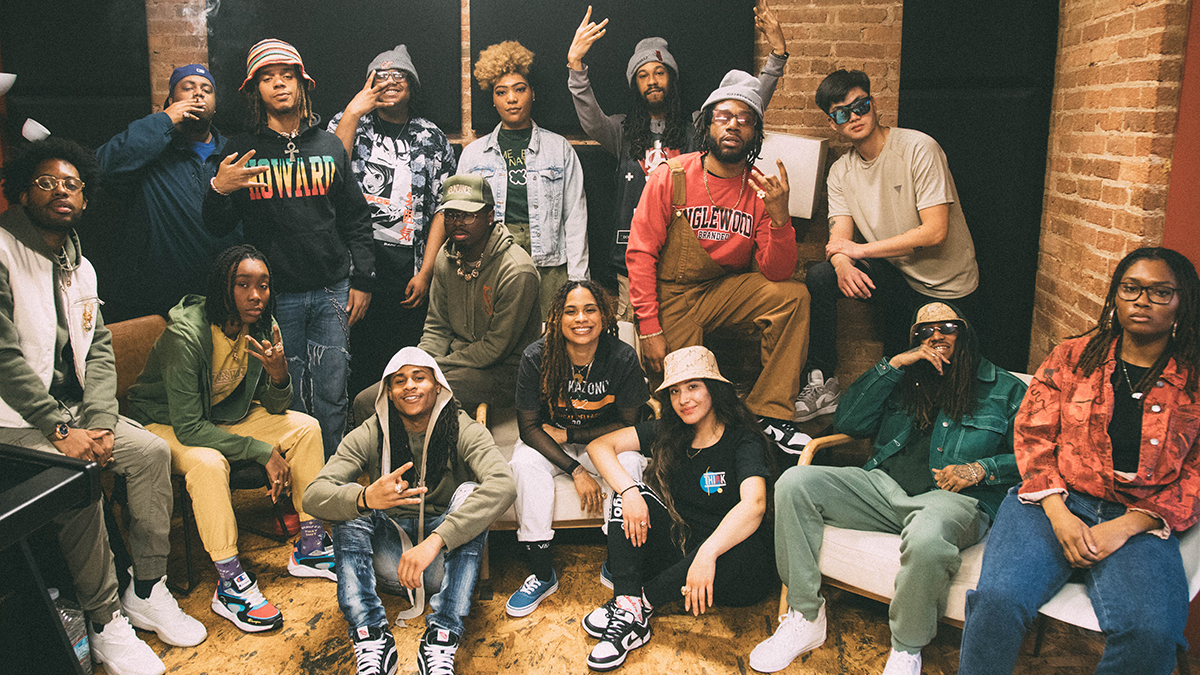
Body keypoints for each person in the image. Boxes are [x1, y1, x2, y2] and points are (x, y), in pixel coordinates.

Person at [0, 138, 205, 675]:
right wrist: (61, 428)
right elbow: (1, 357)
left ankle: (147, 589)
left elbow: (99, 352)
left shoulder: (81, 266)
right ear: (22, 191)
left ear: (85, 201)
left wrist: (100, 421)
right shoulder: (2, 249)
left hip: (73, 412)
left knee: (152, 453)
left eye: (72, 184)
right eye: (47, 182)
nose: (61, 191)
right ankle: (104, 618)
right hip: (14, 419)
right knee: (78, 476)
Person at [749, 301, 1026, 675]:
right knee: (794, 483)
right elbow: (848, 419)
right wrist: (894, 365)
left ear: (965, 333)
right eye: (924, 332)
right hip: (882, 488)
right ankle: (806, 617)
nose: (936, 337)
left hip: (954, 500)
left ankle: (907, 648)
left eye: (947, 328)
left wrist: (981, 468)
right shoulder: (905, 378)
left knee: (927, 535)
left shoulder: (1005, 389)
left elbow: (1035, 457)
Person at [959, 247, 1200, 675]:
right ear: (1115, 296)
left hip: (1139, 516)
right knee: (997, 601)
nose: (1142, 300)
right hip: (1053, 499)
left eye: (1161, 292)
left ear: (1183, 302)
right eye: (1132, 288)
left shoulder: (1194, 376)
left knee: (1153, 634)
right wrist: (1059, 512)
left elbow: (1195, 475)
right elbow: (1033, 436)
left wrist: (1126, 527)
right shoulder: (1073, 356)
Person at [126, 244, 333, 633]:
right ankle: (230, 582)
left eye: (264, 285)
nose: (256, 295)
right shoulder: (186, 336)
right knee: (207, 462)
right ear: (224, 287)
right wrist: (261, 451)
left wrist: (278, 376)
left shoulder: (264, 326)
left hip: (220, 416)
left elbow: (275, 407)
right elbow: (188, 428)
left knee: (306, 427)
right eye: (243, 285)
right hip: (162, 421)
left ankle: (311, 547)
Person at [204, 38, 375, 459]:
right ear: (255, 90)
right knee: (287, 395)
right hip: (276, 296)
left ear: (302, 85)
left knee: (333, 391)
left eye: (287, 76)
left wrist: (364, 279)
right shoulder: (243, 150)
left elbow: (355, 218)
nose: (278, 84)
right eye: (267, 78)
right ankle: (302, 488)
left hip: (333, 288)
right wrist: (218, 190)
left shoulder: (329, 146)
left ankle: (335, 482)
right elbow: (217, 226)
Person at [625, 70, 811, 454]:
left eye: (744, 119)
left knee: (793, 296)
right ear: (707, 125)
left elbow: (777, 272)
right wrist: (649, 328)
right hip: (672, 296)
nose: (733, 125)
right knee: (680, 410)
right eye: (723, 116)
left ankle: (770, 415)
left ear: (755, 132)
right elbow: (640, 253)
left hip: (722, 290)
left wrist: (780, 218)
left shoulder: (760, 189)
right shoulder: (671, 177)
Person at [567, 1, 788, 319]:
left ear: (672, 77)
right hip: (632, 261)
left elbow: (746, 104)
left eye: (659, 72)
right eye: (643, 75)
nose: (652, 80)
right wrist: (575, 64)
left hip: (686, 266)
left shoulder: (699, 128)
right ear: (635, 85)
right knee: (638, 347)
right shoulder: (621, 131)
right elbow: (590, 117)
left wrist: (776, 58)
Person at [305, 347, 516, 675]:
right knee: (350, 504)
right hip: (390, 565)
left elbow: (503, 484)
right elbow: (313, 496)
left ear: (438, 386)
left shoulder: (462, 428)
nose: (410, 386)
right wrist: (365, 498)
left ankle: (442, 636)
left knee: (470, 493)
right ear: (388, 392)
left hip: (443, 564)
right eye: (399, 380)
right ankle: (371, 635)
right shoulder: (372, 431)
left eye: (420, 377)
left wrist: (436, 541)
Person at [797, 68, 981, 423]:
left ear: (873, 104)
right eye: (841, 113)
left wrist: (859, 252)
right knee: (821, 276)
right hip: (900, 279)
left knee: (935, 393)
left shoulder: (918, 148)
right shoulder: (841, 172)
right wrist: (841, 263)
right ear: (832, 123)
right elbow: (839, 241)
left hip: (949, 288)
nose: (853, 116)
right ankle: (822, 381)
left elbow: (934, 232)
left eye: (860, 105)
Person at [581, 346, 775, 671]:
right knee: (627, 498)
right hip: (684, 551)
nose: (683, 399)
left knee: (742, 548)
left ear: (714, 388)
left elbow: (754, 505)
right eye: (675, 391)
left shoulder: (743, 440)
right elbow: (600, 446)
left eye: (693, 386)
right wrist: (629, 491)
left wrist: (707, 554)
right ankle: (629, 604)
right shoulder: (670, 433)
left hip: (735, 565)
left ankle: (637, 605)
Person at [506, 280, 650, 617]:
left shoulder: (621, 356)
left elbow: (630, 423)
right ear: (557, 317)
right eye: (570, 311)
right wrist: (576, 470)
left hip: (600, 441)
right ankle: (542, 573)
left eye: (589, 309)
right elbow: (528, 428)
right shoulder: (536, 356)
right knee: (524, 465)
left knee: (630, 462)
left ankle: (619, 563)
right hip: (547, 443)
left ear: (603, 316)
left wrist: (570, 432)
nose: (580, 318)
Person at [351, 174, 541, 424]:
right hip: (453, 366)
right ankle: (391, 462)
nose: (457, 223)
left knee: (411, 397)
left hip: (504, 373)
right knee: (366, 401)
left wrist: (433, 367)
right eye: (450, 215)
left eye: (468, 215)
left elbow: (494, 349)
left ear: (490, 216)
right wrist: (418, 364)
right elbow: (436, 327)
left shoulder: (517, 270)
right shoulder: (446, 256)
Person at [329, 45, 458, 398]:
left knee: (405, 366)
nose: (389, 82)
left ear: (412, 84)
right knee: (357, 362)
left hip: (409, 270)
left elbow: (443, 208)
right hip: (356, 267)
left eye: (398, 75)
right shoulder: (349, 123)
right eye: (380, 76)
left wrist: (427, 271)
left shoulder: (431, 137)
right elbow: (330, 174)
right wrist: (354, 111)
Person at [96, 63, 241, 320]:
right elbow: (104, 167)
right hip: (164, 302)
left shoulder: (234, 153)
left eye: (206, 89)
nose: (199, 93)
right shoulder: (151, 151)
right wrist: (165, 120)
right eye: (188, 88)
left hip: (226, 297)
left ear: (215, 105)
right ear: (171, 101)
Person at [458, 40, 587, 317]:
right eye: (501, 92)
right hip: (496, 259)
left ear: (533, 94)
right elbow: (462, 219)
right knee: (498, 336)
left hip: (550, 263)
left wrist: (579, 282)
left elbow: (575, 218)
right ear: (493, 100)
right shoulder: (473, 155)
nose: (512, 99)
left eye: (520, 89)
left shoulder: (559, 148)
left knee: (550, 339)